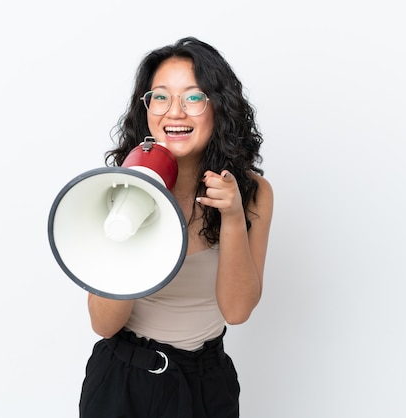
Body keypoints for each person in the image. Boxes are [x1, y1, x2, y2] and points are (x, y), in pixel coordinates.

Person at [79, 36, 273, 418]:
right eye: (161, 97)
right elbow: (103, 324)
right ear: (146, 108)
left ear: (218, 106)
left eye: (193, 97)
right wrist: (129, 223)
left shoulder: (253, 193)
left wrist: (233, 216)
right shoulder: (119, 188)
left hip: (207, 381)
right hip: (124, 380)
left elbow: (236, 312)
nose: (175, 112)